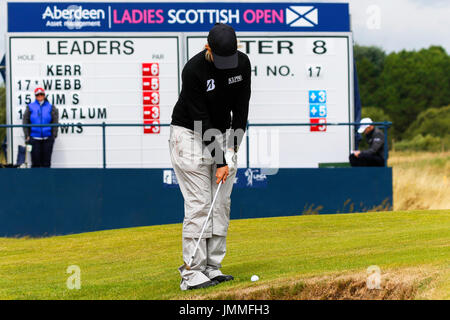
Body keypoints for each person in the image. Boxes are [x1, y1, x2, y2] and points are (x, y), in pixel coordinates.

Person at [169, 23, 251, 290]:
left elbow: (241, 108)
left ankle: (212, 268)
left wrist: (232, 148)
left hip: (223, 134)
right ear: (208, 48)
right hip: (190, 134)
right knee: (200, 203)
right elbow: (200, 120)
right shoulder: (193, 70)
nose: (227, 64)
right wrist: (220, 161)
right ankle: (191, 273)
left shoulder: (243, 64)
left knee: (220, 203)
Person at [23, 87, 59, 168]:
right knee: (35, 163)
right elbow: (25, 121)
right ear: (35, 96)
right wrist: (27, 135)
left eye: (41, 94)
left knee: (46, 163)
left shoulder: (51, 106)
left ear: (44, 95)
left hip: (48, 139)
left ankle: (47, 180)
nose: (40, 96)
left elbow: (55, 121)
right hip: (34, 139)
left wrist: (54, 135)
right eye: (38, 94)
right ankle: (35, 180)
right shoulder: (30, 106)